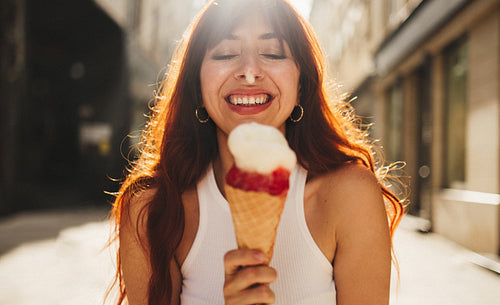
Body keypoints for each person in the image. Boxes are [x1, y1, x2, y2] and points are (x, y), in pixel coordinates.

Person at [108, 0, 405, 304]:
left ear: (302, 84)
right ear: (196, 85)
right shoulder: (152, 208)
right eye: (225, 53)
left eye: (273, 53)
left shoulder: (349, 195)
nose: (249, 72)